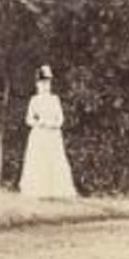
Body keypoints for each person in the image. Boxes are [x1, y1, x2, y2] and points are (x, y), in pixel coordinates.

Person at [18, 64, 78, 201]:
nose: (45, 85)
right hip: (39, 134)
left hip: (53, 134)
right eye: (42, 83)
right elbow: (28, 119)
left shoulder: (54, 99)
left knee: (55, 160)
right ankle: (38, 193)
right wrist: (39, 123)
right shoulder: (34, 100)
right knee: (39, 162)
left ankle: (57, 193)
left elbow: (61, 119)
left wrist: (52, 124)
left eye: (47, 82)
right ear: (37, 84)